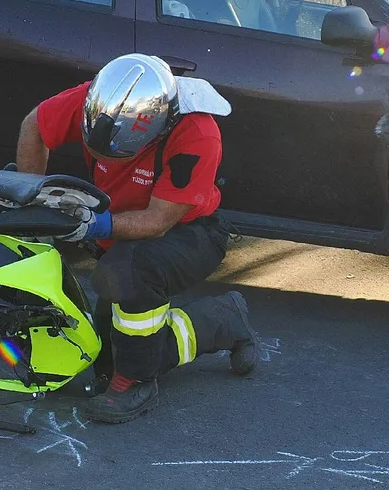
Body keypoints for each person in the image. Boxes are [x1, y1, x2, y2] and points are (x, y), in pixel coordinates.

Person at [15, 53, 259, 423]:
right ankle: (219, 319)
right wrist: (30, 199)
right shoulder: (99, 100)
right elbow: (35, 125)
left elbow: (158, 222)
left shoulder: (197, 133)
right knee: (106, 353)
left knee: (129, 274)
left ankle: (136, 384)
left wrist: (94, 225)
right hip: (124, 228)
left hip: (192, 231)